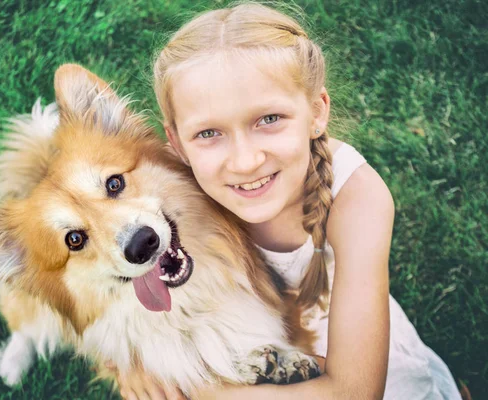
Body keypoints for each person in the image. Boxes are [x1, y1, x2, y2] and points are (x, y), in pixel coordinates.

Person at [113, 2, 461, 399]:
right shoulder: (175, 192)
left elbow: (354, 391)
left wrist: (202, 393)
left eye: (268, 119)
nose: (245, 162)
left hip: (347, 354)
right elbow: (101, 277)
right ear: (175, 143)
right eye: (209, 133)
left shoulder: (357, 198)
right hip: (249, 346)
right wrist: (130, 362)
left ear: (316, 112)